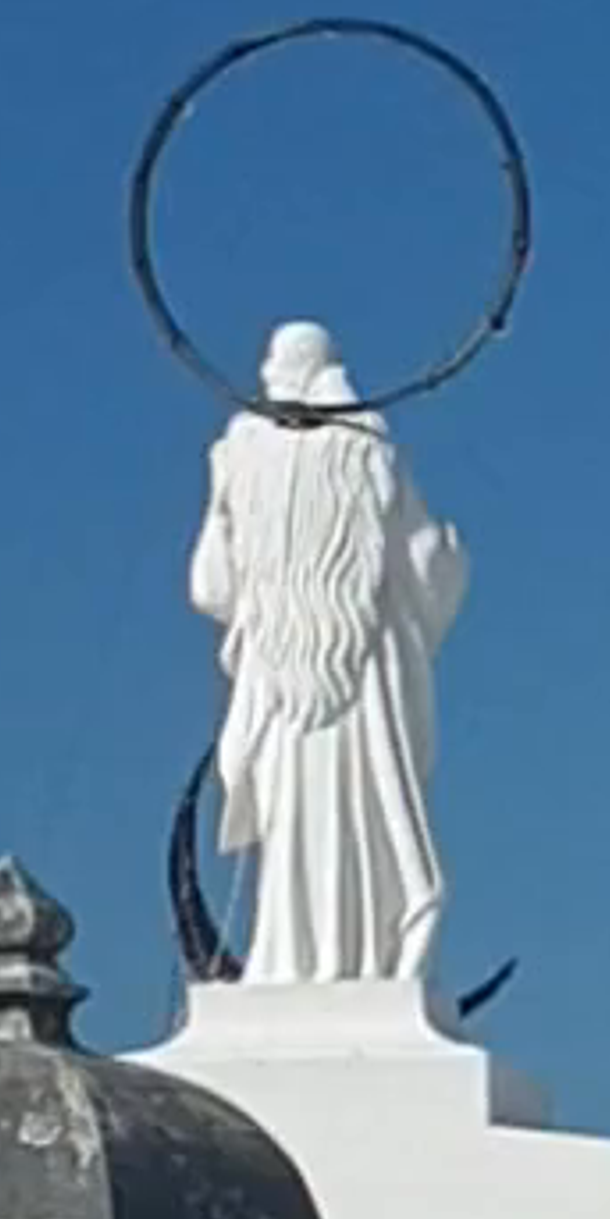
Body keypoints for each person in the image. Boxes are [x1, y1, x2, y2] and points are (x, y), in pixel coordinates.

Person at [188, 323, 465, 992]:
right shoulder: (369, 456)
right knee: (370, 822)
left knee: (293, 830)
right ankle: (365, 960)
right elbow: (426, 561)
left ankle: (298, 962)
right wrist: (451, 554)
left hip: (283, 684)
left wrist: (223, 503)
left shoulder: (244, 462)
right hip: (364, 674)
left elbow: (211, 588)